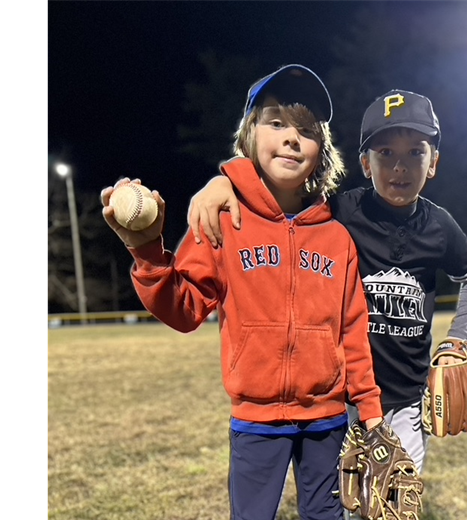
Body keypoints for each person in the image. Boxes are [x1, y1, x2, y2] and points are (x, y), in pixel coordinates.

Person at [101, 64, 386, 520]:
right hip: (256, 419)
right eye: (276, 122)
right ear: (249, 135)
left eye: (307, 130)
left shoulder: (336, 237)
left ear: (322, 151)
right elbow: (185, 308)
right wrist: (148, 252)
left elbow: (353, 329)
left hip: (327, 416)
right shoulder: (224, 218)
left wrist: (369, 410)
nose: (292, 137)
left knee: (327, 516)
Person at [186, 89, 467, 475]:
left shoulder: (439, 226)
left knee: (397, 499)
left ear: (434, 163)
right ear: (364, 162)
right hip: (344, 394)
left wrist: (458, 336)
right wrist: (226, 183)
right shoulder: (343, 212)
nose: (400, 167)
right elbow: (281, 207)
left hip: (408, 397)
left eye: (416, 152)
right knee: (344, 499)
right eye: (385, 153)